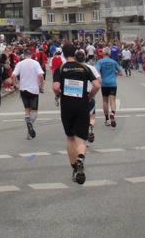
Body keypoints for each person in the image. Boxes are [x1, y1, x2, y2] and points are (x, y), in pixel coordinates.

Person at [53, 43, 100, 184]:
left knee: (70, 138)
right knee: (81, 138)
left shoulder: (61, 68)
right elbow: (97, 85)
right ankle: (81, 157)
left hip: (67, 105)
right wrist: (90, 96)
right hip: (82, 104)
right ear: (75, 53)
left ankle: (74, 168)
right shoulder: (84, 68)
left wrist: (59, 94)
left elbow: (55, 87)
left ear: (63, 54)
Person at [11, 49, 44, 139]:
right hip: (34, 89)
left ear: (24, 55)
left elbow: (13, 75)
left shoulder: (20, 64)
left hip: (23, 89)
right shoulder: (35, 63)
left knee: (27, 110)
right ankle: (30, 123)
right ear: (32, 55)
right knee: (34, 111)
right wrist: (41, 85)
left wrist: (15, 85)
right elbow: (40, 75)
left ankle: (29, 132)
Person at [95, 47, 123, 127]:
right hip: (112, 83)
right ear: (110, 54)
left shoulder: (100, 62)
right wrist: (115, 73)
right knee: (112, 100)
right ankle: (113, 113)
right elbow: (121, 73)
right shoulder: (113, 62)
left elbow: (97, 72)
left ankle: (107, 119)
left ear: (103, 53)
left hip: (104, 83)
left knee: (105, 101)